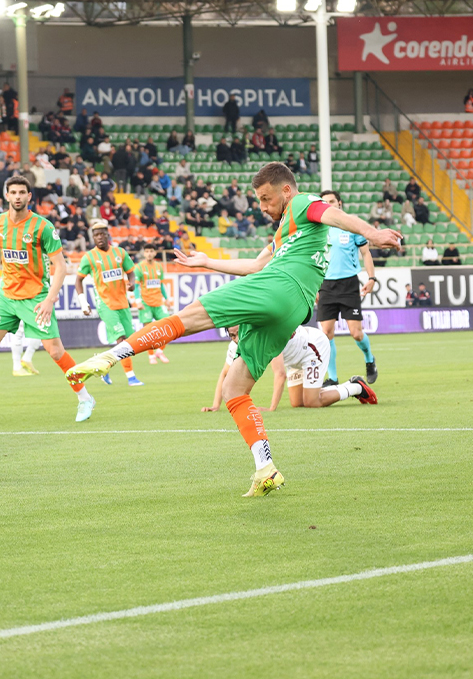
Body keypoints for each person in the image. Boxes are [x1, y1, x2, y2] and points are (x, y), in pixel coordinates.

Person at [67, 163, 401, 497]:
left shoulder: (301, 203)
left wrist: (372, 233)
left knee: (190, 316)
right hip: (293, 311)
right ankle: (265, 468)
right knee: (234, 389)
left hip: (278, 286)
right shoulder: (287, 233)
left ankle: (110, 357)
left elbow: (333, 215)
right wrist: (206, 262)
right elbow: (254, 265)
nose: (262, 207)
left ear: (286, 190)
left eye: (266, 198)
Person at [0, 176, 97, 423]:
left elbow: (60, 266)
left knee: (55, 351)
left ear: (29, 196)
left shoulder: (43, 227)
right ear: (6, 195)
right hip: (6, 297)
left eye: (22, 192)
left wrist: (50, 299)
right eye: (13, 192)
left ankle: (85, 398)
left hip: (36, 298)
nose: (17, 196)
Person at [204, 325, 374, 413]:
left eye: (239, 333)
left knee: (312, 402)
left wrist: (271, 408)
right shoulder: (235, 346)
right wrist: (215, 405)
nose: (236, 339)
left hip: (312, 349)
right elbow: (225, 374)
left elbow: (280, 374)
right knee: (297, 403)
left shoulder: (265, 337)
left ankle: (356, 386)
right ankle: (327, 388)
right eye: (232, 335)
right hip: (294, 360)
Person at [315, 190, 377, 387]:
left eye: (332, 201)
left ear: (339, 203)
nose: (328, 204)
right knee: (326, 333)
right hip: (325, 285)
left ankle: (369, 359)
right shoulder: (317, 229)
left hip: (348, 283)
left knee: (356, 333)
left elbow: (365, 253)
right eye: (324, 202)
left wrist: (371, 277)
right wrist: (313, 286)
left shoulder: (350, 225)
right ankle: (332, 378)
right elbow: (312, 260)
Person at [75, 221, 142, 387]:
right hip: (105, 304)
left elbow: (131, 272)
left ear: (107, 235)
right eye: (96, 235)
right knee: (122, 340)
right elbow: (78, 280)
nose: (99, 237)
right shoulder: (89, 257)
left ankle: (102, 363)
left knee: (130, 342)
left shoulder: (120, 253)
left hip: (123, 303)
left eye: (102, 234)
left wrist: (132, 283)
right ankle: (131, 377)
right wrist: (83, 302)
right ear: (93, 238)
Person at [133, 245, 170, 364]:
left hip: (159, 302)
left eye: (151, 251)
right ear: (144, 253)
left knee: (168, 327)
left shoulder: (159, 266)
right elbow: (136, 286)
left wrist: (166, 299)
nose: (149, 253)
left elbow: (161, 284)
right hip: (145, 303)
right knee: (148, 332)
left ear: (155, 253)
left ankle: (159, 351)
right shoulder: (139, 267)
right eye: (147, 251)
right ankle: (151, 356)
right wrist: (138, 301)